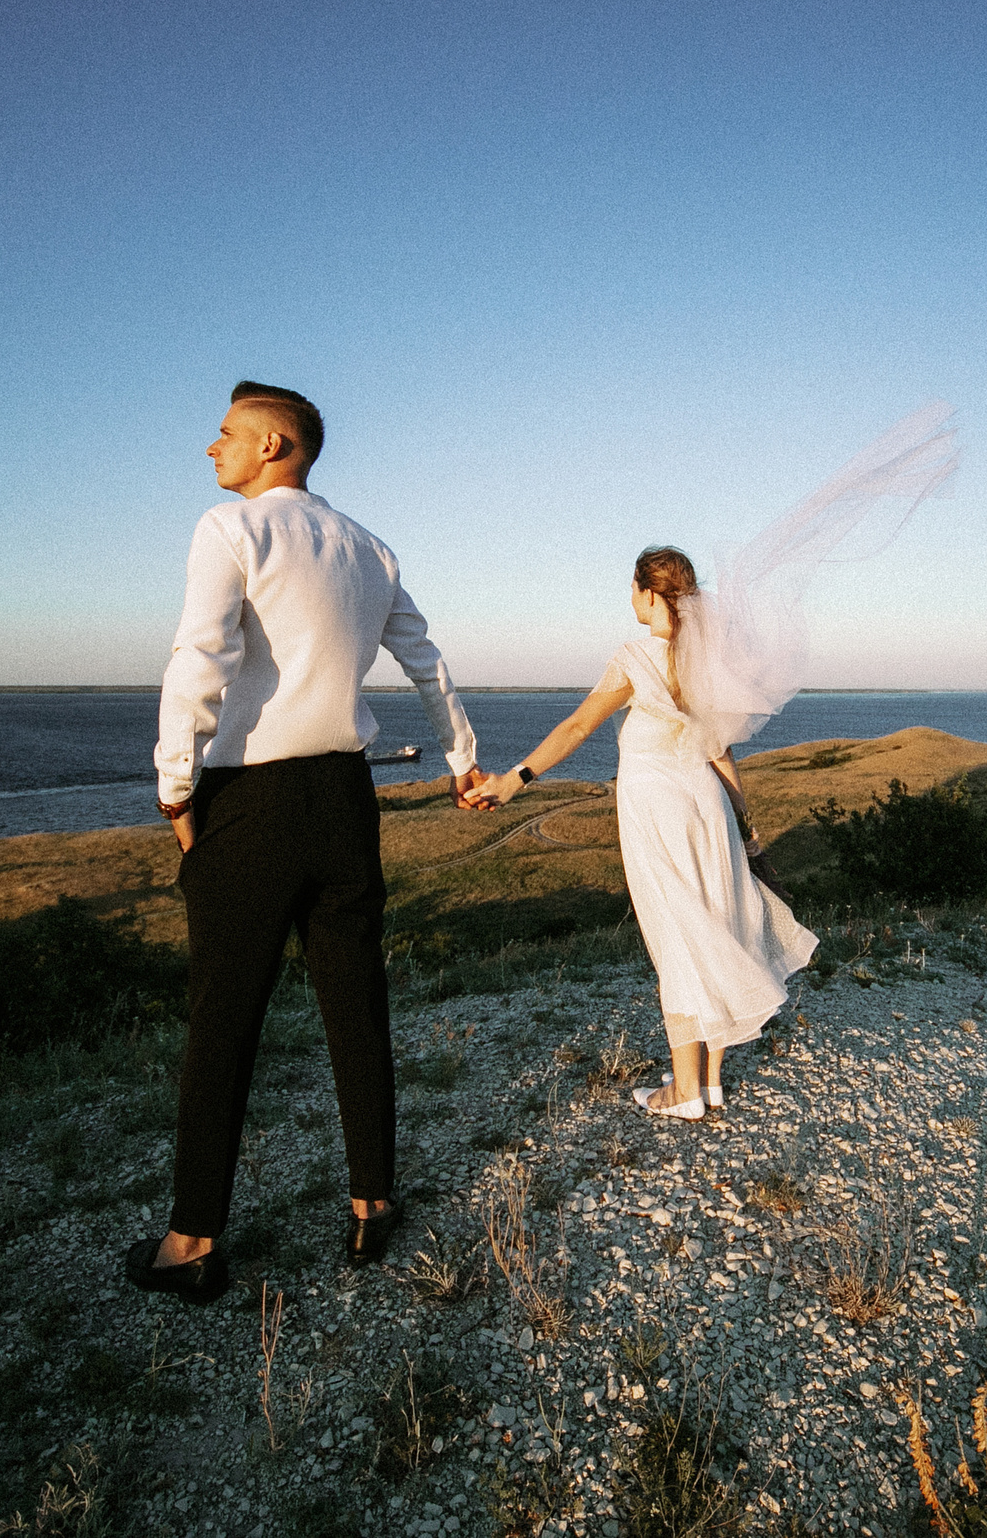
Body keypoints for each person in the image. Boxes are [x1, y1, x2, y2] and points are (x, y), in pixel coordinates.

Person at [127, 381, 488, 1305]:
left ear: (274, 444)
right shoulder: (370, 546)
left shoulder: (229, 529)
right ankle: (373, 1202)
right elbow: (427, 659)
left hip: (250, 797)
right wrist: (460, 755)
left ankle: (192, 1239)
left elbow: (198, 656)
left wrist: (175, 786)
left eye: (225, 435)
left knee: (223, 1020)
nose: (212, 451)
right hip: (344, 796)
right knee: (356, 1003)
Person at [466, 546, 818, 1118]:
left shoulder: (634, 656)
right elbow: (723, 756)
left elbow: (579, 723)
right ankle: (709, 1083)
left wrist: (515, 779)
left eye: (633, 589)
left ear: (650, 595)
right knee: (716, 926)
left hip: (656, 813)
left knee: (677, 938)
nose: (629, 600)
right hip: (707, 810)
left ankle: (683, 1094)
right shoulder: (705, 665)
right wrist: (748, 833)